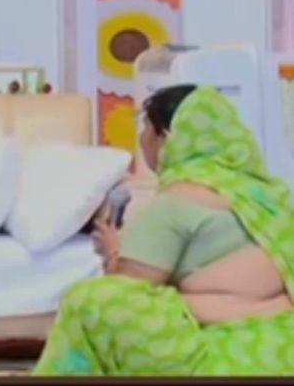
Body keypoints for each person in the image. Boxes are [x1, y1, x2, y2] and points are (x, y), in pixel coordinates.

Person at [33, 84, 294, 376]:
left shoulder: (177, 200)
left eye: (145, 127)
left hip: (218, 355)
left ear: (164, 138)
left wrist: (113, 252)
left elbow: (128, 287)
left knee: (88, 300)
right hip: (282, 346)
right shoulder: (267, 198)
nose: (141, 138)